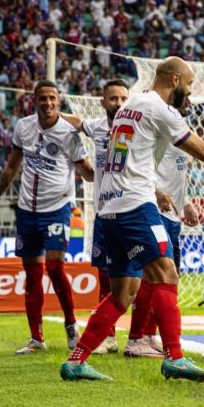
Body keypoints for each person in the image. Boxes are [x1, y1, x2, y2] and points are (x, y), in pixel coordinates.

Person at [59, 57, 204, 381]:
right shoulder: (160, 109)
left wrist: (157, 188)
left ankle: (76, 360)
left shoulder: (131, 105)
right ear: (174, 79)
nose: (189, 91)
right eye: (188, 85)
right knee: (167, 272)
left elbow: (131, 156)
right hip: (135, 205)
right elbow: (203, 151)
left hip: (109, 208)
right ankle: (175, 357)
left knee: (123, 293)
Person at [0, 80, 95, 355]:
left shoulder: (69, 134)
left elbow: (86, 171)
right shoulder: (23, 127)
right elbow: (11, 169)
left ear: (59, 101)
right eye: (43, 98)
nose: (48, 103)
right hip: (27, 211)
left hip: (57, 208)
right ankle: (36, 338)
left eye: (53, 98)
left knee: (55, 268)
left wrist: (104, 171)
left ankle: (70, 327)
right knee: (31, 277)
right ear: (35, 101)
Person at [59, 78, 130, 355]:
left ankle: (141, 336)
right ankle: (108, 337)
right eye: (113, 99)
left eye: (123, 98)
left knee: (140, 278)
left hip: (132, 210)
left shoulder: (137, 128)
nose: (119, 103)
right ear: (103, 102)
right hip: (103, 213)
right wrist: (55, 114)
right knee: (105, 275)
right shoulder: (98, 127)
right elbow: (78, 122)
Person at [124, 102, 200, 358]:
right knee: (155, 276)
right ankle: (137, 338)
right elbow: (144, 168)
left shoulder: (179, 129)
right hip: (155, 211)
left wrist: (186, 203)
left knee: (165, 277)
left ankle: (148, 336)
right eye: (186, 95)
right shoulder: (159, 128)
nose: (189, 101)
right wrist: (155, 193)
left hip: (173, 214)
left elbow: (176, 174)